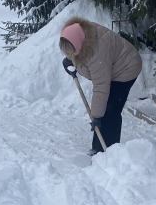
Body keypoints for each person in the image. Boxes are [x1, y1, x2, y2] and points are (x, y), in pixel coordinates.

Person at [59, 16, 142, 154]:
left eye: (70, 53)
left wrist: (96, 116)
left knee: (110, 111)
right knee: (103, 112)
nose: (69, 55)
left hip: (127, 68)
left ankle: (108, 152)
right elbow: (77, 50)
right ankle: (97, 148)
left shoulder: (97, 53)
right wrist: (71, 59)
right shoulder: (79, 33)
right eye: (67, 53)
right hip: (113, 65)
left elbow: (101, 86)